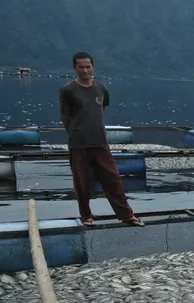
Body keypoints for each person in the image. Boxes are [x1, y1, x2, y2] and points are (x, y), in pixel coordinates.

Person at [58, 52, 144, 227]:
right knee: (82, 183)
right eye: (81, 67)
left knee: (113, 179)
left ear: (93, 67)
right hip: (79, 143)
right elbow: (65, 117)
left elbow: (100, 111)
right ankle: (86, 216)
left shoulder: (101, 89)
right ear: (75, 68)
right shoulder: (68, 90)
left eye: (88, 67)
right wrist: (74, 134)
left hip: (100, 142)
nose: (85, 70)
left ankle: (126, 214)